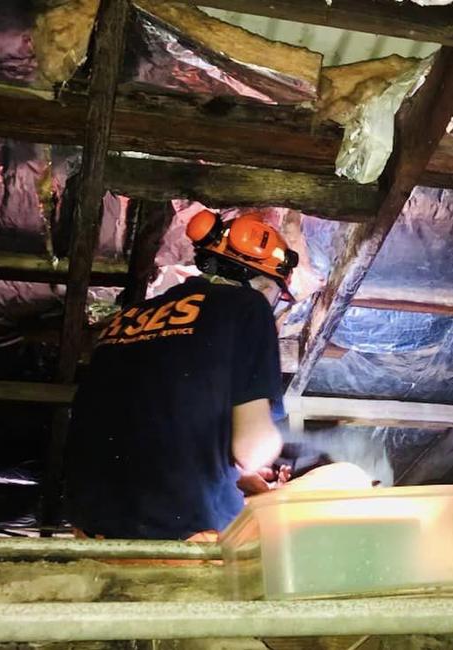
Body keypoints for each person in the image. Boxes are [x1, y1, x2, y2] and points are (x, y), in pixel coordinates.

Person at [65, 209, 299, 540]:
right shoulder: (249, 307)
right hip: (180, 537)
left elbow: (153, 430)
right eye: (277, 296)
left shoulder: (126, 319)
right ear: (262, 283)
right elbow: (252, 448)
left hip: (92, 532)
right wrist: (270, 447)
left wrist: (228, 469)